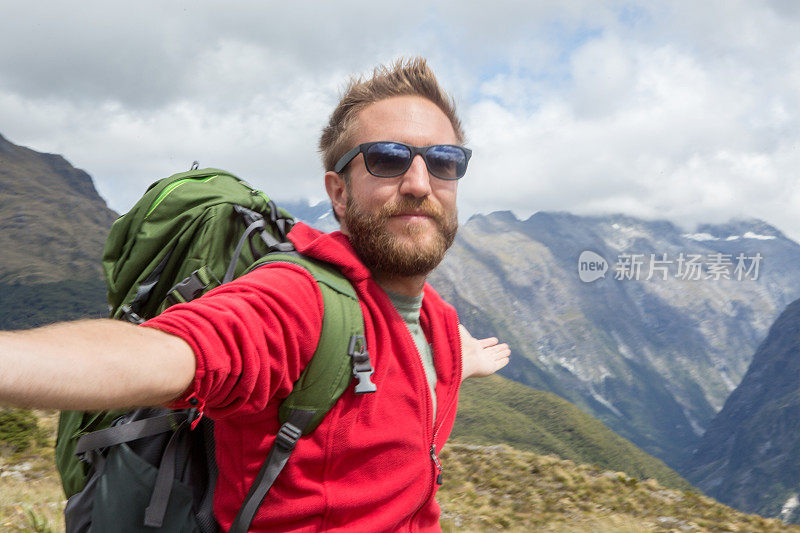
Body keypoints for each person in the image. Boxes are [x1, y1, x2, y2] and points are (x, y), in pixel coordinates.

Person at [0, 57, 510, 531]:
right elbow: (172, 353)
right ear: (338, 192)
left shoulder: (439, 324)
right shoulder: (299, 301)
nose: (420, 182)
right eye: (387, 159)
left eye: (444, 161)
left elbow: (405, 373)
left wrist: (456, 363)